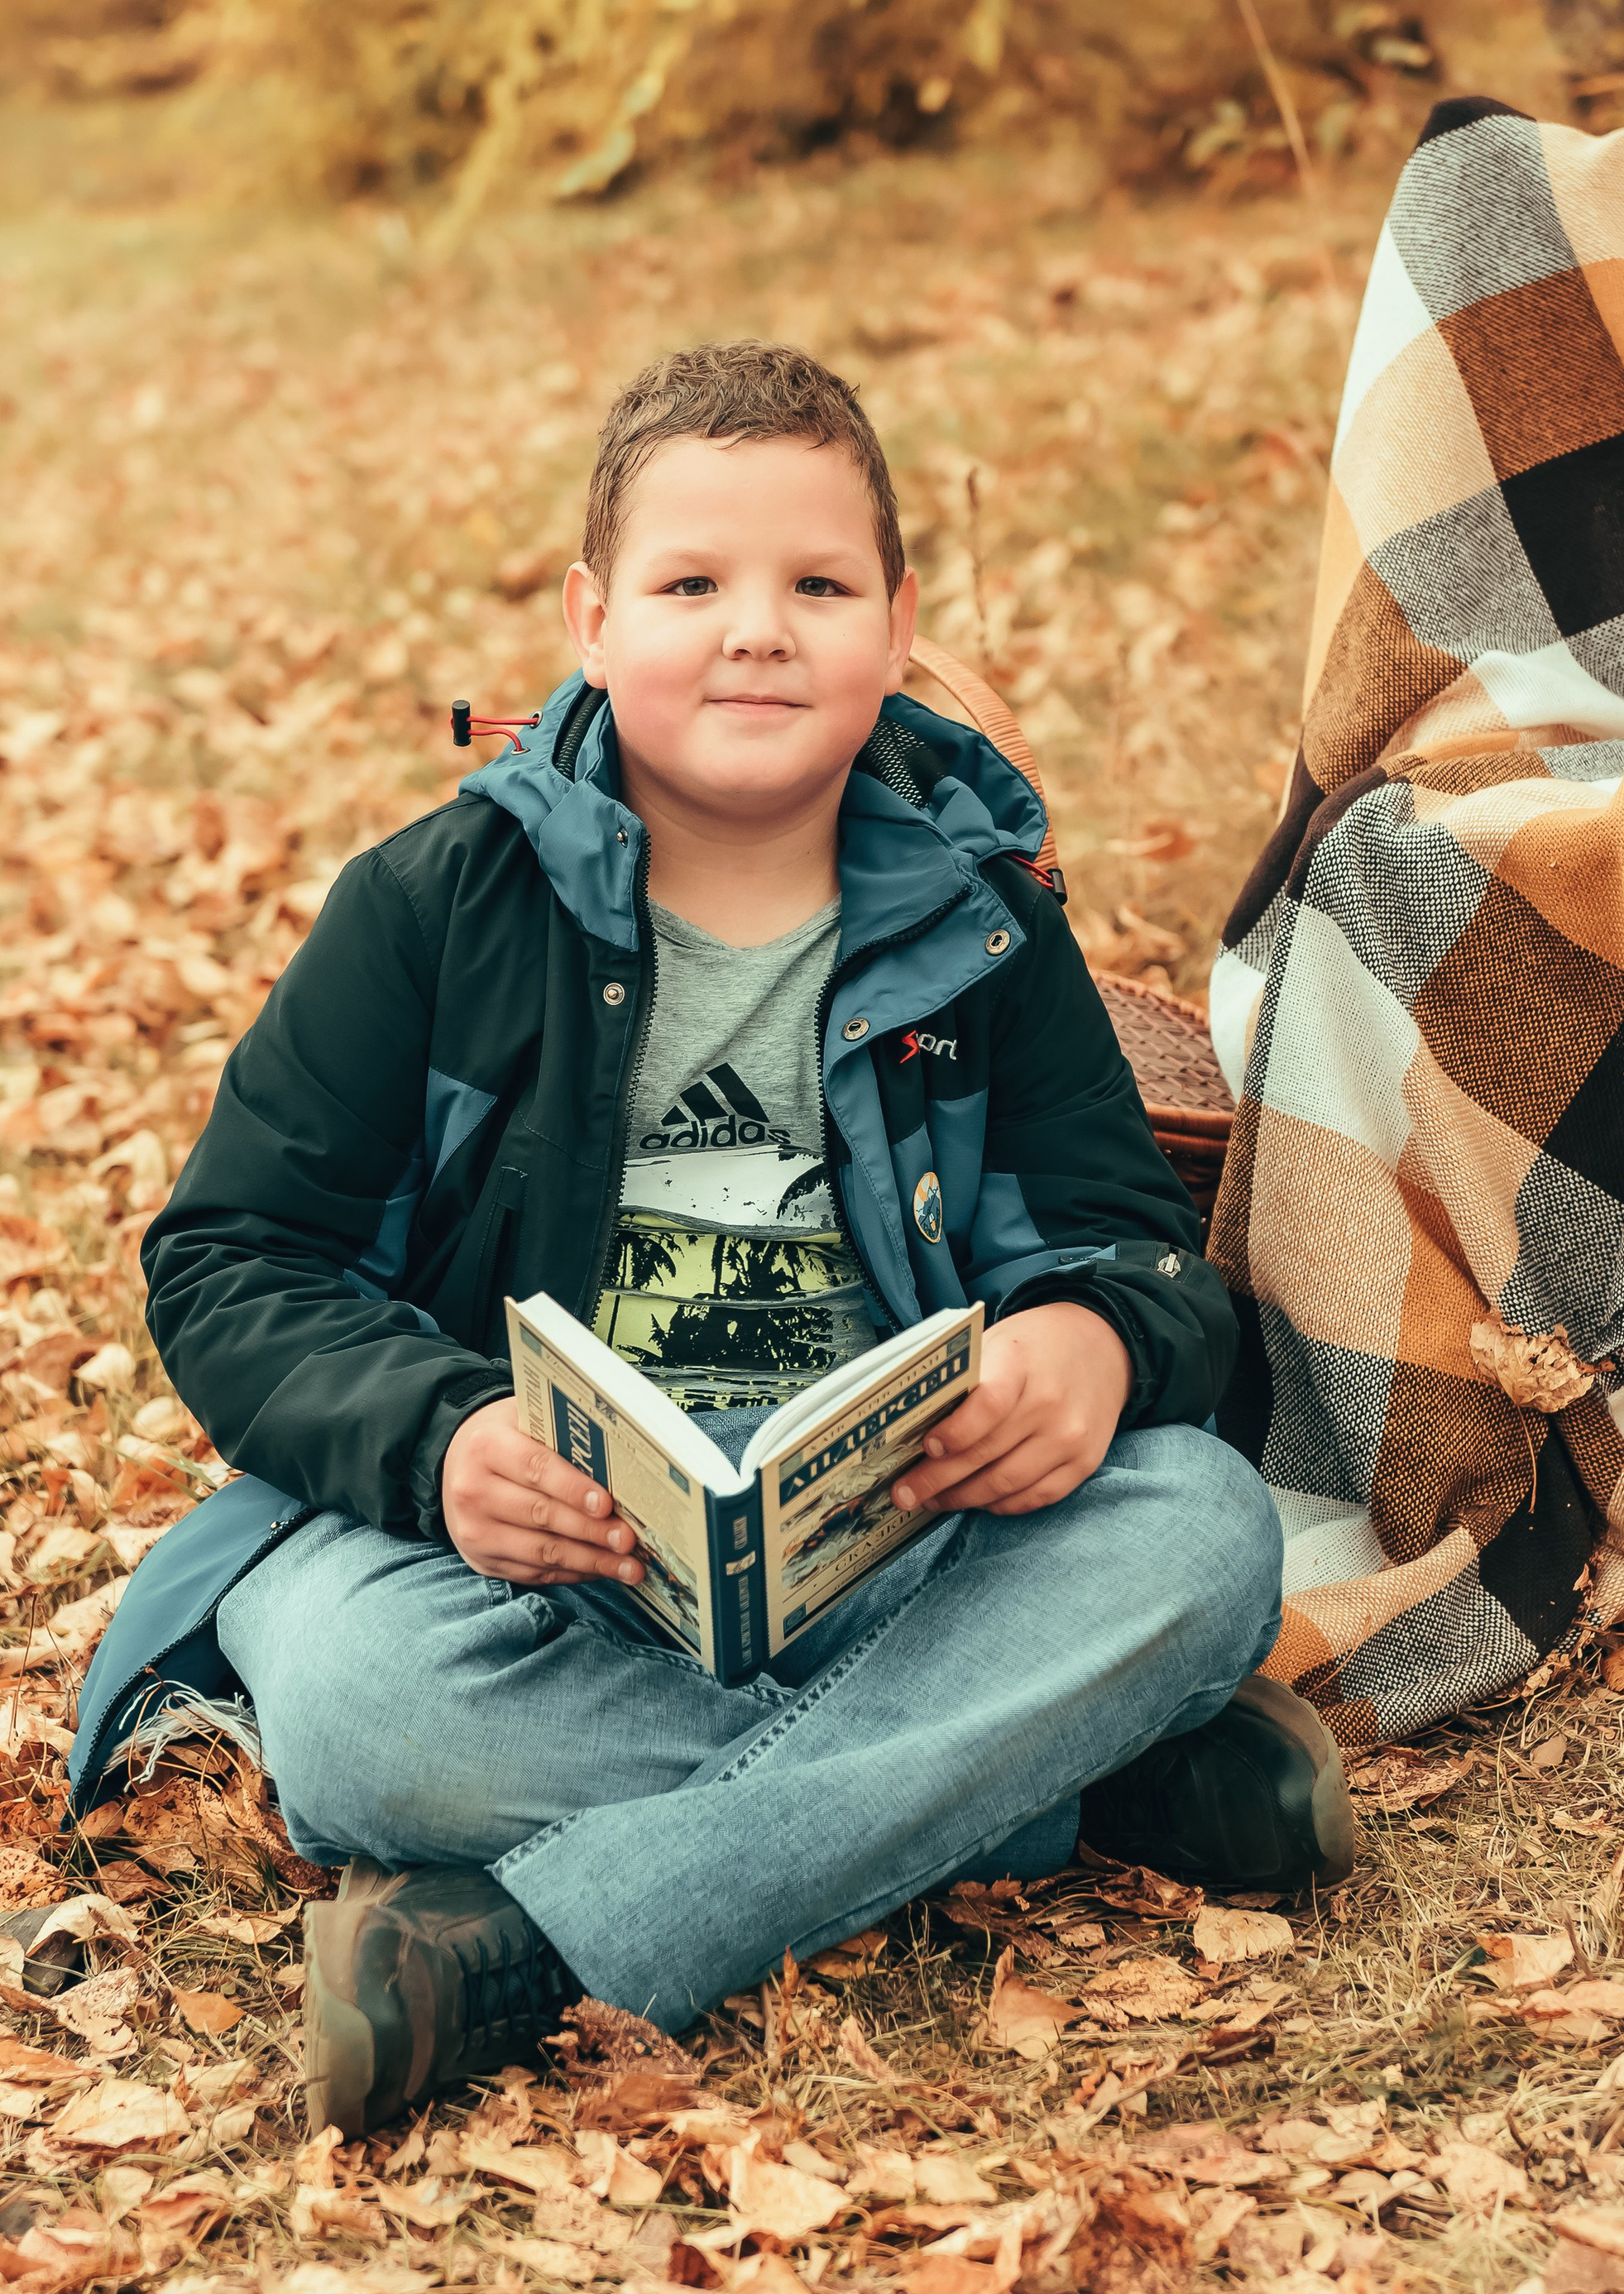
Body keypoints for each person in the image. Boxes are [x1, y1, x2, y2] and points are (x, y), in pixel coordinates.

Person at [75, 342, 1349, 2137]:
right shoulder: (432, 909)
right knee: (361, 1712)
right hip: (533, 1564)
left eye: (817, 586)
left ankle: (531, 1943)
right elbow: (230, 1261)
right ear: (591, 621)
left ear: (896, 627)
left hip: (886, 1544)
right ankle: (1067, 1775)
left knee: (1203, 1533)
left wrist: (1094, 1341)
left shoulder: (982, 926)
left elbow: (1129, 1247)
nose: (756, 631)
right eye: (690, 586)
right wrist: (444, 1443)